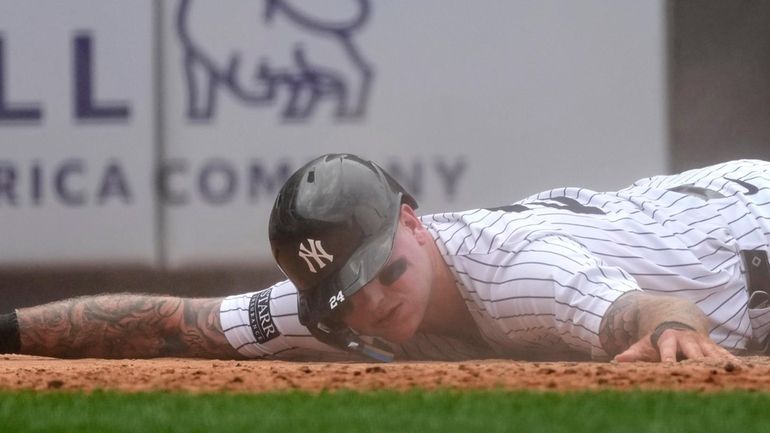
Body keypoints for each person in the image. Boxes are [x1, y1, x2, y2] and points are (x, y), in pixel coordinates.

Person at [2, 154, 769, 364]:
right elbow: (175, 322)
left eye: (379, 268)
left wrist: (674, 327)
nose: (369, 303)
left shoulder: (517, 271)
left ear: (414, 222)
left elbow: (642, 312)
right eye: (342, 291)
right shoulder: (338, 318)